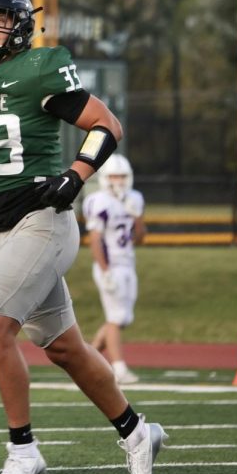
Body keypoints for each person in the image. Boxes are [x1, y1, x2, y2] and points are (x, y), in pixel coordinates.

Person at [0, 0, 167, 474]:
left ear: (20, 26)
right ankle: (136, 431)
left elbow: (106, 124)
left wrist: (78, 174)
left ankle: (22, 449)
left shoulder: (39, 70)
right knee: (64, 348)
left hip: (44, 217)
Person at [83, 153, 146, 385]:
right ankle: (119, 368)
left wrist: (136, 217)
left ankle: (87, 359)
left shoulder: (135, 198)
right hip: (110, 266)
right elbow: (96, 239)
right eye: (114, 176)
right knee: (115, 317)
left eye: (122, 176)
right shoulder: (99, 201)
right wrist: (105, 270)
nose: (118, 181)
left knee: (123, 318)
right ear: (105, 178)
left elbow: (140, 239)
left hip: (128, 263)